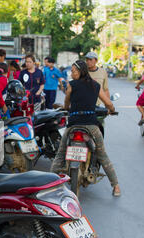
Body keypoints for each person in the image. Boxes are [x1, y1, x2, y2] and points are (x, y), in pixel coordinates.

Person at [50, 60, 120, 197]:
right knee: (102, 155)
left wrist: (66, 108)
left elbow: (66, 103)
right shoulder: (95, 85)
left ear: (81, 71)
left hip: (73, 125)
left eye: (74, 71)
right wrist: (111, 110)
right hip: (91, 126)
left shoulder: (71, 85)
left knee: (60, 155)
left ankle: (47, 186)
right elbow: (108, 103)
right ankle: (116, 186)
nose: (72, 73)